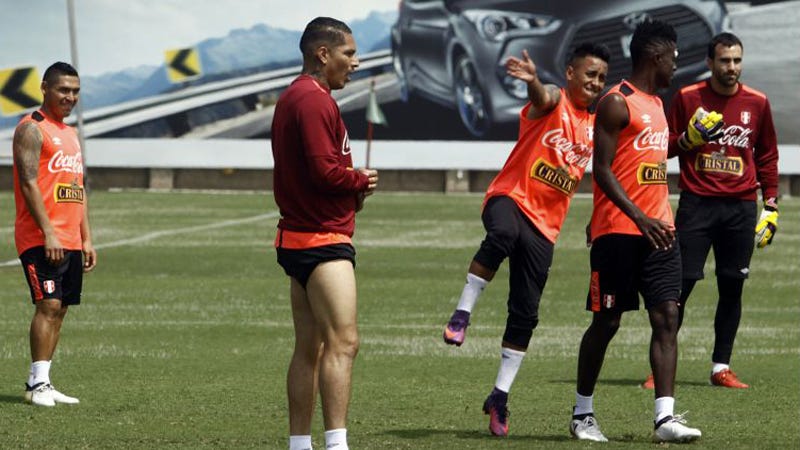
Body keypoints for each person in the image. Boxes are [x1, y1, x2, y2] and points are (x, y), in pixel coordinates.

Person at [442, 43, 610, 436]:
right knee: (501, 233)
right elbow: (542, 95)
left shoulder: (595, 124)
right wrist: (534, 80)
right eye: (589, 74)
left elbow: (604, 170)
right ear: (570, 73)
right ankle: (462, 313)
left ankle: (499, 396)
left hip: (545, 227)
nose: (596, 83)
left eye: (602, 77)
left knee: (526, 312)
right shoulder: (553, 101)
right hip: (509, 198)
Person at [570, 19, 717, 443]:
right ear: (656, 56)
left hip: (660, 230)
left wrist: (687, 140)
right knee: (608, 321)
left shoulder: (656, 104)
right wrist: (638, 217)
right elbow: (601, 171)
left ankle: (664, 420)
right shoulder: (617, 102)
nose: (677, 65)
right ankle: (582, 414)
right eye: (673, 56)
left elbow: (649, 160)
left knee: (667, 316)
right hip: (619, 232)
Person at [640, 32, 779, 390]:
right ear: (709, 62)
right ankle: (660, 367)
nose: (731, 67)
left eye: (736, 60)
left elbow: (766, 155)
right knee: (679, 287)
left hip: (742, 209)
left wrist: (772, 206)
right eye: (724, 61)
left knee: (732, 288)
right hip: (696, 206)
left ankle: (721, 367)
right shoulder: (688, 97)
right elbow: (663, 146)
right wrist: (688, 139)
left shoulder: (758, 103)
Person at [271, 17, 378, 450]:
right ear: (323, 54)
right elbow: (323, 171)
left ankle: (300, 444)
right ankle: (336, 444)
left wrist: (350, 186)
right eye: (348, 54)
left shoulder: (297, 97)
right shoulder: (314, 100)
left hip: (299, 238)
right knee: (344, 343)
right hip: (321, 241)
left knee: (310, 348)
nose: (354, 62)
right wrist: (360, 180)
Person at [13, 61, 97, 407]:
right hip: (41, 236)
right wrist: (48, 231)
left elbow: (77, 188)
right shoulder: (32, 129)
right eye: (63, 89)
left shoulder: (70, 133)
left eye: (75, 91)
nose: (70, 97)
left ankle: (44, 381)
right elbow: (28, 182)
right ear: (44, 88)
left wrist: (87, 237)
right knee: (47, 304)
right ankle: (36, 384)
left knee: (60, 308)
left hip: (71, 239)